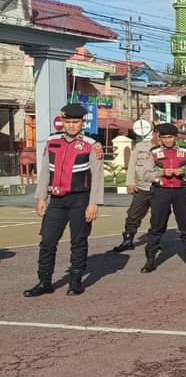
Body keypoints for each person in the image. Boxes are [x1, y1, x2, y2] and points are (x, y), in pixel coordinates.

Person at [24, 104, 104, 297]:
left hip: (80, 199)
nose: (71, 126)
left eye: (75, 122)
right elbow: (45, 171)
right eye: (67, 122)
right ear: (62, 122)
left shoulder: (91, 144)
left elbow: (97, 175)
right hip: (56, 200)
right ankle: (44, 282)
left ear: (82, 122)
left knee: (78, 241)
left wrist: (94, 203)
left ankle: (75, 283)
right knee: (47, 242)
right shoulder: (52, 141)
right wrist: (41, 197)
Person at [139, 123, 186, 273]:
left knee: (185, 226)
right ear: (160, 138)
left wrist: (183, 173)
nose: (167, 140)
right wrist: (161, 173)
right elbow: (144, 175)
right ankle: (150, 261)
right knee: (157, 226)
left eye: (170, 137)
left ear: (176, 137)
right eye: (164, 137)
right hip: (160, 191)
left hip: (179, 191)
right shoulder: (153, 153)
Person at [112, 127, 159, 252]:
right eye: (160, 135)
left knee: (159, 216)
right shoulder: (140, 147)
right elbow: (132, 165)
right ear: (154, 134)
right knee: (133, 214)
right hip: (142, 187)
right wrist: (130, 183)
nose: (163, 139)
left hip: (159, 188)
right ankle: (128, 240)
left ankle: (155, 240)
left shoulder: (168, 149)